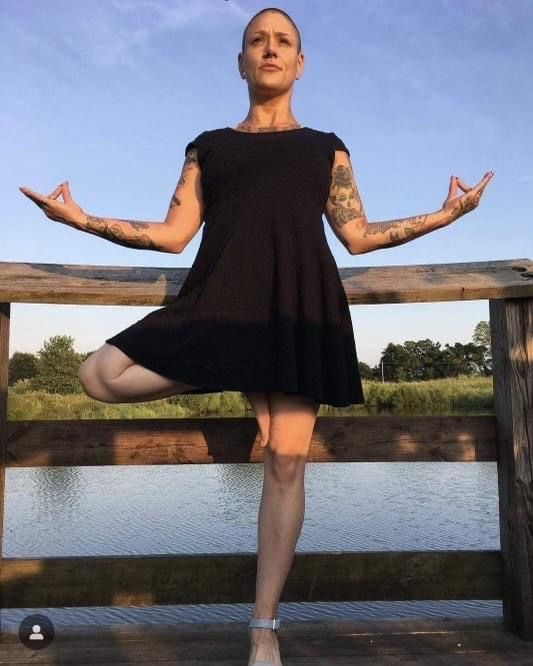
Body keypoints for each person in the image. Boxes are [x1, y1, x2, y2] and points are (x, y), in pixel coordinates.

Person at [19, 6, 494, 665]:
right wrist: (78, 219)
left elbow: (356, 235)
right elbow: (172, 234)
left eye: (283, 42)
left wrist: (447, 215)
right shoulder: (209, 146)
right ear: (240, 62)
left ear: (299, 63)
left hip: (299, 310)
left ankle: (262, 628)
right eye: (256, 41)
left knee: (286, 459)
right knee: (99, 374)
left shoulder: (324, 146)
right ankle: (234, 362)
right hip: (220, 308)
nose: (269, 50)